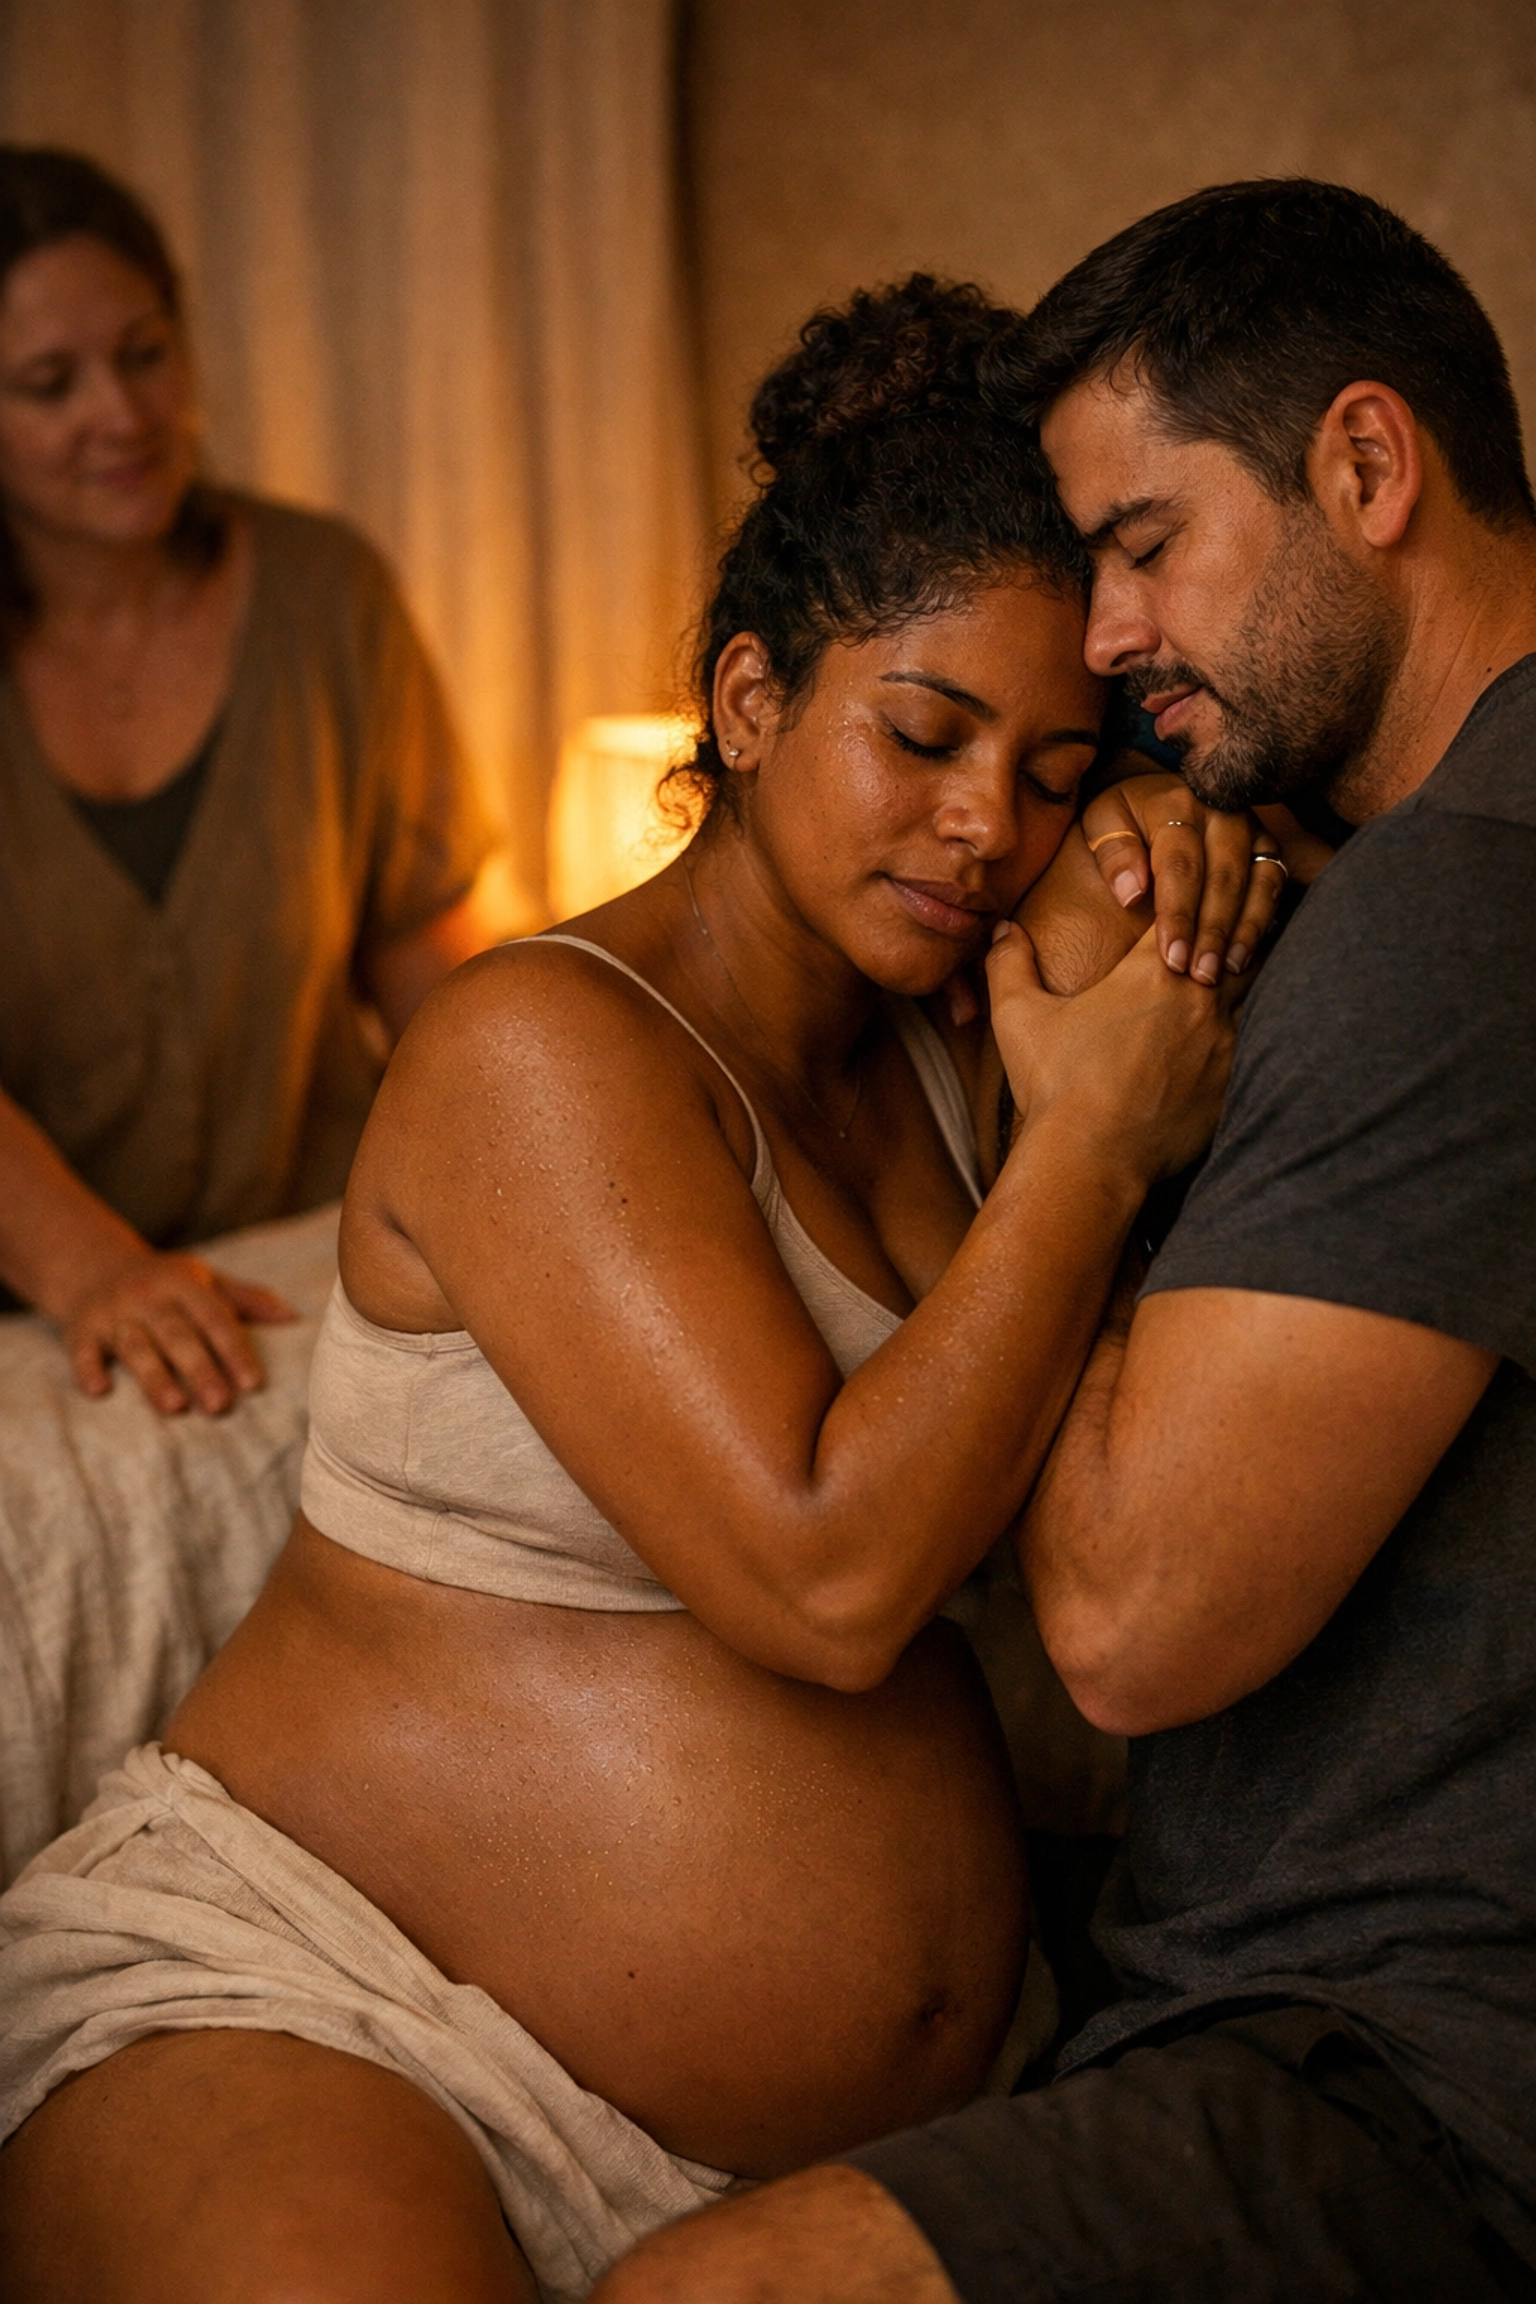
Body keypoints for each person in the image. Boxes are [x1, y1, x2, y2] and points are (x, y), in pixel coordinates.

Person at [0, 277, 1282, 2303]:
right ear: (754, 702)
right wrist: (1091, 1149)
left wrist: (1139, 834)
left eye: (1049, 765)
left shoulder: (946, 1021)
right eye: (923, 735)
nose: (982, 825)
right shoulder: (540, 1049)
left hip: (841, 2149)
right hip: (335, 2019)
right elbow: (831, 1579)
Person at [585, 181, 1536, 2304]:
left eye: (1140, 551)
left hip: (1399, 2054)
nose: (1106, 642)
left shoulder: (1449, 912)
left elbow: (1117, 1622)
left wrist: (1089, 1124)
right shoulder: (1333, 868)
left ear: (1369, 468)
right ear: (750, 700)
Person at [0, 148, 501, 1416]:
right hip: (39, 1308)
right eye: (50, 385)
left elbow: (424, 949)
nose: (122, 413)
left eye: (146, 351)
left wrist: (546, 1152)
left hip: (310, 1253)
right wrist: (97, 1272)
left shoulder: (326, 593)